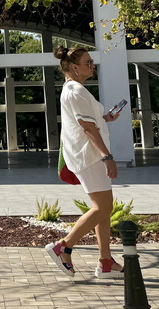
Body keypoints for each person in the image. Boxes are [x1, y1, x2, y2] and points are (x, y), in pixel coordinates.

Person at [44, 46, 126, 279]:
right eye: (88, 63)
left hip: (88, 155)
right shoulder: (75, 91)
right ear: (73, 68)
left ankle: (106, 262)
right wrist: (107, 156)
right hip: (88, 156)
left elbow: (91, 121)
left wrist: (106, 117)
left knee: (103, 210)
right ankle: (63, 247)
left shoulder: (77, 90)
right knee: (103, 207)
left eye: (92, 62)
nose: (92, 66)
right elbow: (86, 127)